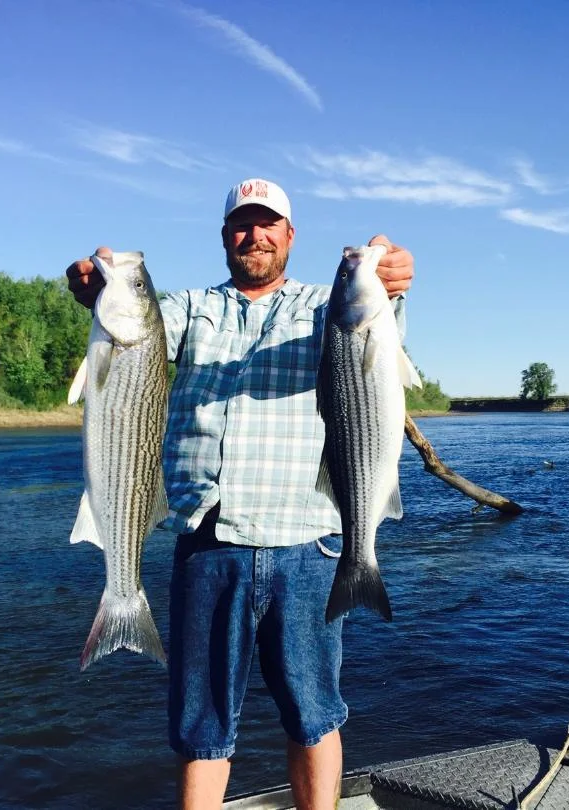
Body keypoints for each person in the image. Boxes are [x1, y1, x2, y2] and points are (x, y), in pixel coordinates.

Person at [65, 178, 414, 810]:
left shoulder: (328, 305)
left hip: (308, 543)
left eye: (267, 223)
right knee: (202, 727)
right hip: (208, 541)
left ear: (290, 234)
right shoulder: (189, 307)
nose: (255, 236)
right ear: (226, 236)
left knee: (314, 715)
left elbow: (377, 333)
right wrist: (98, 289)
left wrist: (389, 278)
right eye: (242, 225)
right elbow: (138, 329)